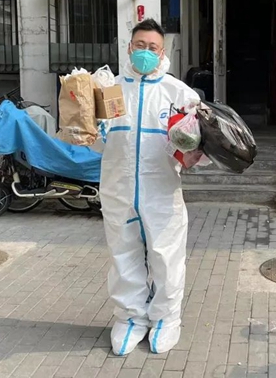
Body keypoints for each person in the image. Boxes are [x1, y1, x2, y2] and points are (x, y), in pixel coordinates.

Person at [100, 19, 200, 356]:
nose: (145, 52)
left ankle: (166, 319)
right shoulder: (109, 90)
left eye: (152, 47)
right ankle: (130, 318)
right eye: (139, 45)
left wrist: (195, 152)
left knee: (165, 256)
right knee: (123, 255)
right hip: (117, 188)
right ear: (129, 47)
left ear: (162, 51)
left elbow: (196, 150)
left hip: (161, 190)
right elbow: (95, 141)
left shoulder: (178, 94)